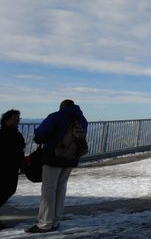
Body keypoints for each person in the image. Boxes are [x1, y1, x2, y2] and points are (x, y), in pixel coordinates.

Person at [26, 99, 88, 233]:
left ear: (62, 107)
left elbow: (40, 134)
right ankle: (55, 221)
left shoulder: (55, 117)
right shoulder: (82, 119)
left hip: (53, 158)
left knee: (49, 189)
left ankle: (45, 223)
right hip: (71, 158)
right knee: (61, 188)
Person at [1, 109, 25, 229]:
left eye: (18, 119)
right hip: (5, 168)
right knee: (6, 190)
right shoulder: (4, 134)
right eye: (14, 119)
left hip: (12, 167)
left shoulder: (15, 133)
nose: (17, 121)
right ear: (6, 120)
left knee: (9, 189)